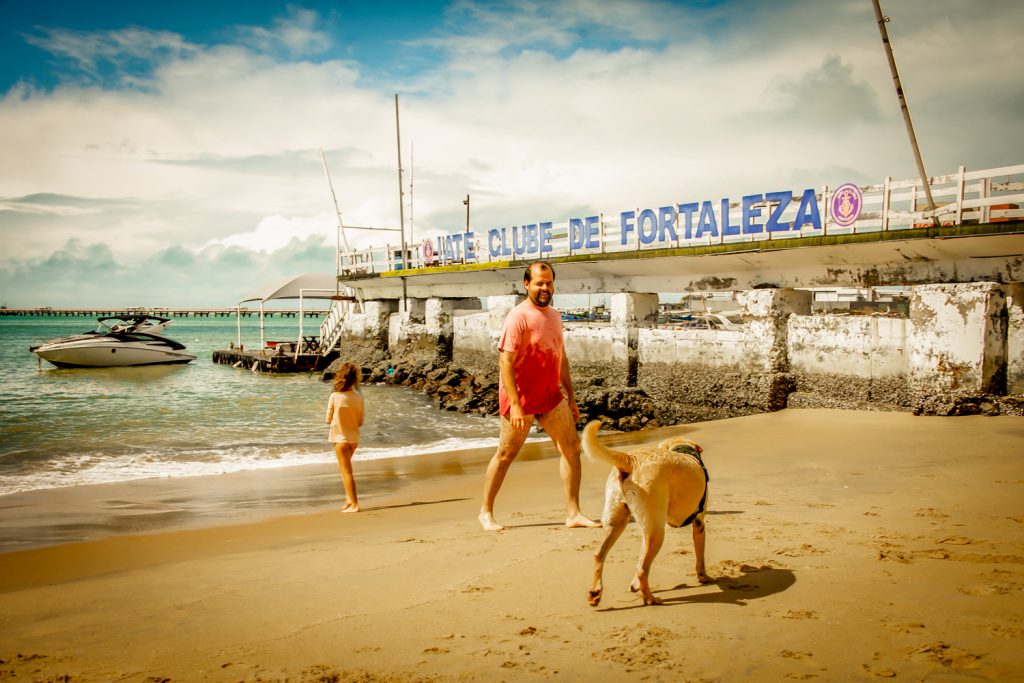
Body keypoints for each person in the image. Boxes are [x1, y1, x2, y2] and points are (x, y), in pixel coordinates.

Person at [478, 260, 601, 531]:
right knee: (505, 455)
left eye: (548, 283)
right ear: (527, 284)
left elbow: (561, 357)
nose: (544, 288)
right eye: (538, 283)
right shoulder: (518, 317)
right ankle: (486, 512)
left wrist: (571, 395)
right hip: (521, 399)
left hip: (551, 396)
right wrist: (517, 406)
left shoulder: (555, 316)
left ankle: (573, 513)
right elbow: (505, 362)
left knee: (571, 449)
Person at [326, 362, 365, 512]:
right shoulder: (358, 397)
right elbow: (360, 421)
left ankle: (354, 504)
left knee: (346, 471)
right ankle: (349, 499)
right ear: (355, 379)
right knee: (345, 470)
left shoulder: (335, 396)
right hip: (354, 438)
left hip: (340, 438)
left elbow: (328, 419)